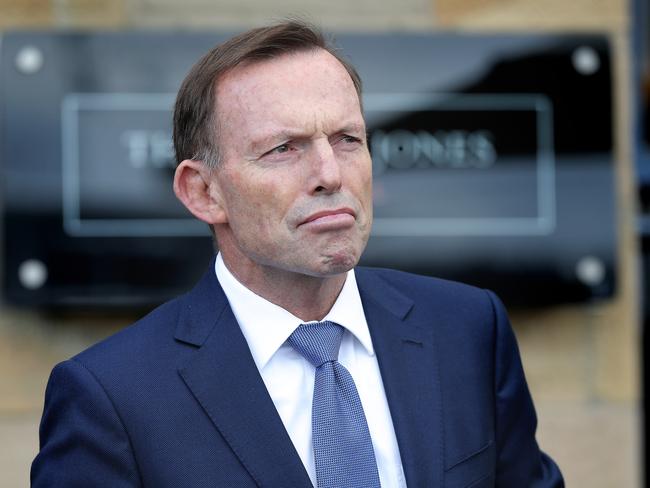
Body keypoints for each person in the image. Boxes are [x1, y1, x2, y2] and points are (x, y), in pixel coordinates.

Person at [31, 21, 563, 488]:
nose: (330, 174)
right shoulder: (112, 398)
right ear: (203, 192)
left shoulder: (467, 329)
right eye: (284, 148)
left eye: (348, 139)